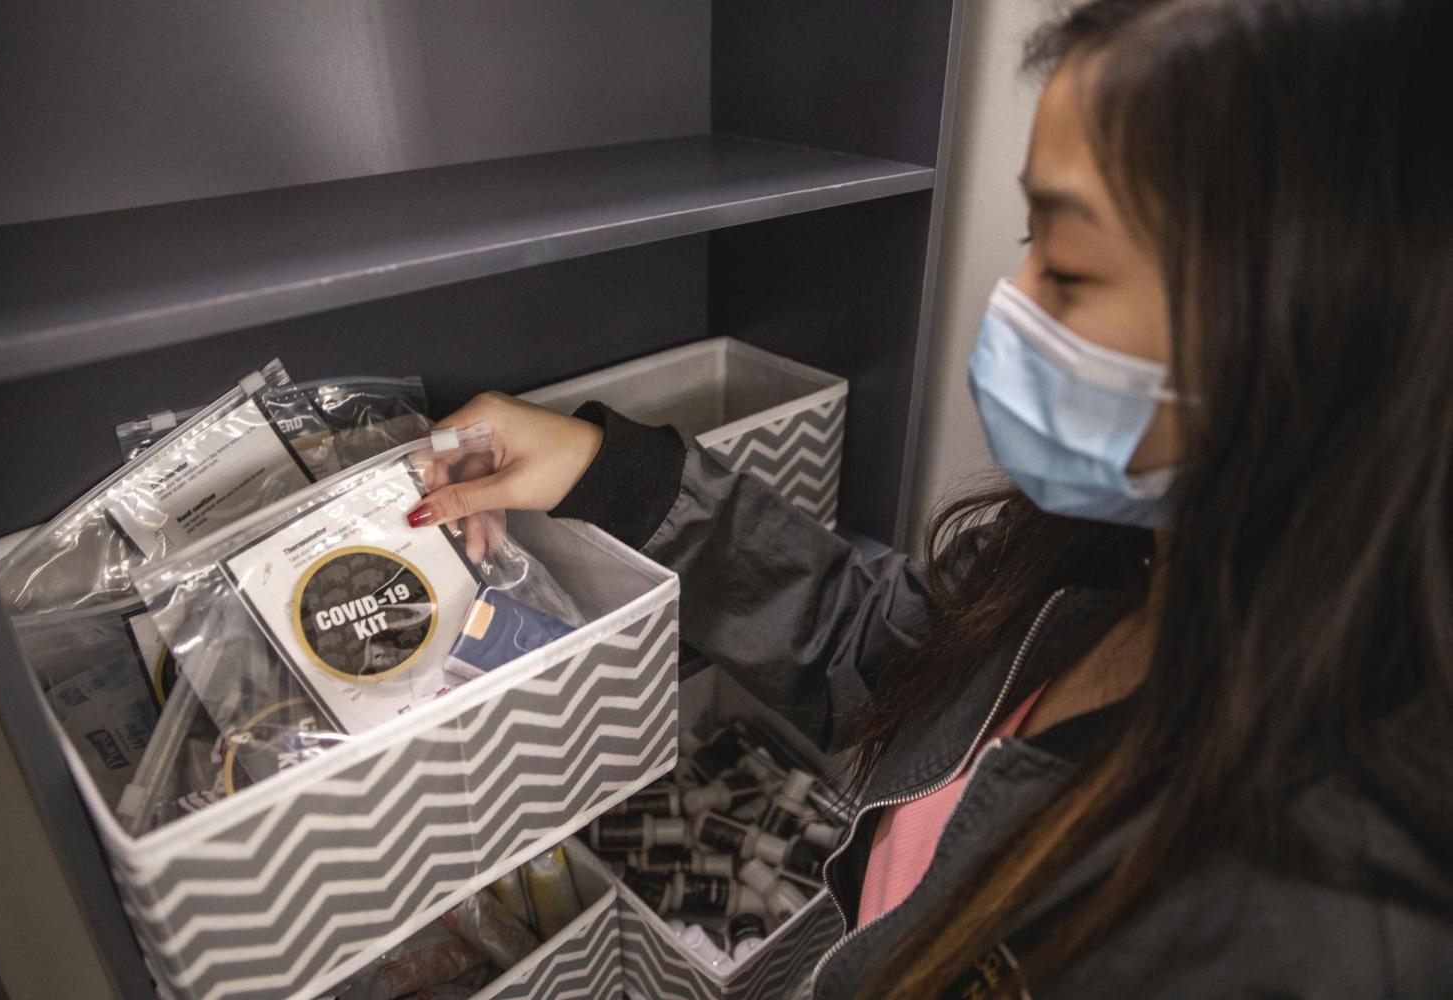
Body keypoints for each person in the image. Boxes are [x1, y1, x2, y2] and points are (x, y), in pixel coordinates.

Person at [407, 0, 1453, 995]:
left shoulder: (1309, 929)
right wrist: (605, 465)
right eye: (1025, 245)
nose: (1014, 307)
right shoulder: (1106, 561)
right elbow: (881, 648)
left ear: (1314, 338)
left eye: (1073, 271)